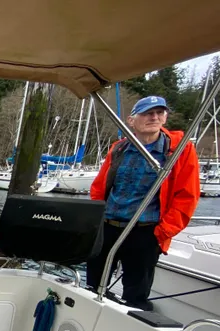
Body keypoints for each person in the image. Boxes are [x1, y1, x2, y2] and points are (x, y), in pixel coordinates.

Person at [86, 96, 200, 310]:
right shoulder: (119, 149)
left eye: (159, 113)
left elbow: (187, 196)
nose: (154, 117)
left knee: (136, 296)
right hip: (108, 227)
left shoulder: (179, 151)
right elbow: (99, 187)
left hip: (146, 232)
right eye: (148, 113)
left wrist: (162, 233)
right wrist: (94, 220)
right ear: (132, 120)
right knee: (91, 287)